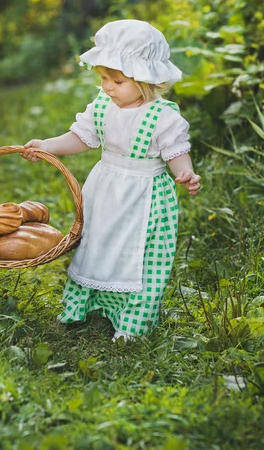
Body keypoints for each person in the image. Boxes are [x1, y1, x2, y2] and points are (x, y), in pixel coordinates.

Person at [21, 19, 201, 341]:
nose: (107, 87)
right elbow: (81, 137)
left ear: (146, 79)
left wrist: (184, 173)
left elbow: (175, 153)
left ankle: (133, 320)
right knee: (97, 244)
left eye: (116, 80)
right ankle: (84, 305)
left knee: (138, 255)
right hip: (105, 190)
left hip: (144, 197)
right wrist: (49, 146)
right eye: (103, 78)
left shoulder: (164, 117)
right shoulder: (103, 105)